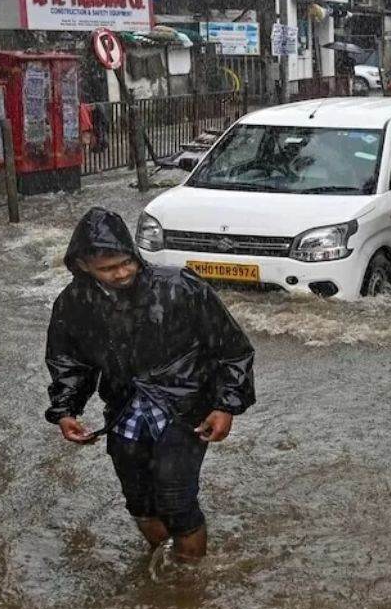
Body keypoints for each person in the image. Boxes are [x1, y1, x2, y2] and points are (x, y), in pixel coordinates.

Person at [45, 207, 256, 563]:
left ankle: (188, 585)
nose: (122, 272)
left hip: (185, 408)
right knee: (140, 501)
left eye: (126, 261)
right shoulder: (74, 303)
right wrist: (66, 410)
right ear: (83, 266)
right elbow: (69, 361)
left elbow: (232, 349)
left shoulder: (181, 287)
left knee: (177, 500)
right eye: (109, 269)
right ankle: (164, 571)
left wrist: (225, 406)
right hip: (125, 411)